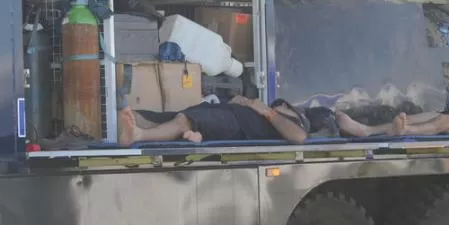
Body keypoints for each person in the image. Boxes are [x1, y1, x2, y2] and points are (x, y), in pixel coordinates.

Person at [118, 96, 310, 145]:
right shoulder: (280, 109)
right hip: (226, 110)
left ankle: (138, 135)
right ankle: (128, 126)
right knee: (165, 119)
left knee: (184, 120)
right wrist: (243, 101)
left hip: (236, 123)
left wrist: (265, 110)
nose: (281, 104)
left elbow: (299, 137)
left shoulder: (299, 121)